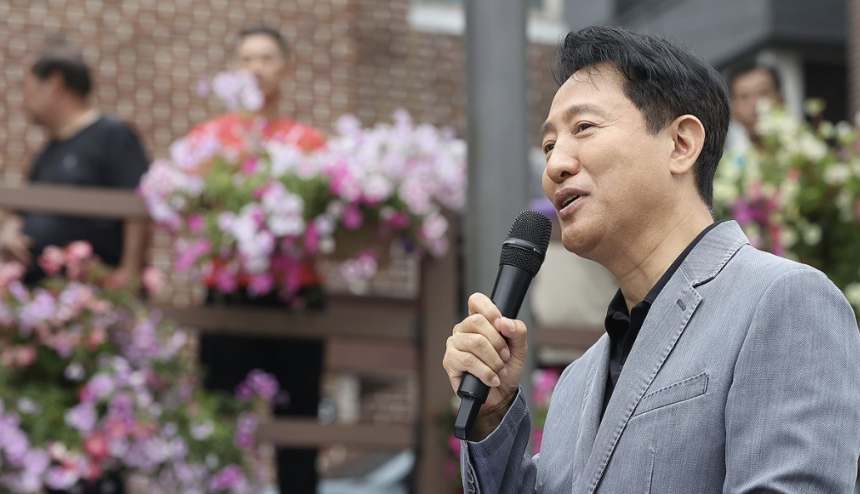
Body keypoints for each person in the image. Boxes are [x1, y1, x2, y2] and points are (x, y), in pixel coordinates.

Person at [443, 26, 860, 493]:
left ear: (681, 144)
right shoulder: (578, 381)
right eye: (549, 146)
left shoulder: (784, 301)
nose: (555, 165)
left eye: (584, 128)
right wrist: (494, 413)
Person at [193, 26, 326, 494]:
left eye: (267, 58)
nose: (256, 68)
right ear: (234, 69)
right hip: (229, 294)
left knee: (299, 426)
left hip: (295, 295)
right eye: (247, 58)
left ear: (286, 69)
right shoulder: (208, 140)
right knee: (219, 419)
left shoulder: (308, 142)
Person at [0, 41, 149, 286]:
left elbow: (140, 206)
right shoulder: (48, 151)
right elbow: (24, 211)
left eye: (26, 86)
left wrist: (129, 277)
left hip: (92, 293)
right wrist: (10, 231)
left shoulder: (113, 136)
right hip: (44, 294)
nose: (24, 100)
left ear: (54, 83)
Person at [727, 63, 784, 150]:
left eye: (763, 92)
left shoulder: (804, 150)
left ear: (781, 99)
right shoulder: (732, 157)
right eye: (744, 97)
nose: (755, 103)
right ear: (733, 111)